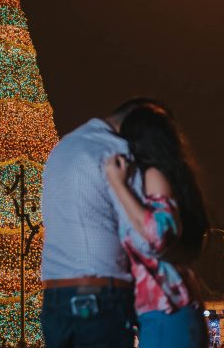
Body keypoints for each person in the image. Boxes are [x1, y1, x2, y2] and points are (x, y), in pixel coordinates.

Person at [40, 97, 167, 348]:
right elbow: (143, 237)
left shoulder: (63, 147)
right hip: (100, 293)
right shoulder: (117, 152)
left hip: (54, 295)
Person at [104, 103, 210, 347]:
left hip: (167, 311)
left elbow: (157, 235)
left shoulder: (154, 174)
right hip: (165, 311)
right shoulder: (156, 178)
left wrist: (117, 183)